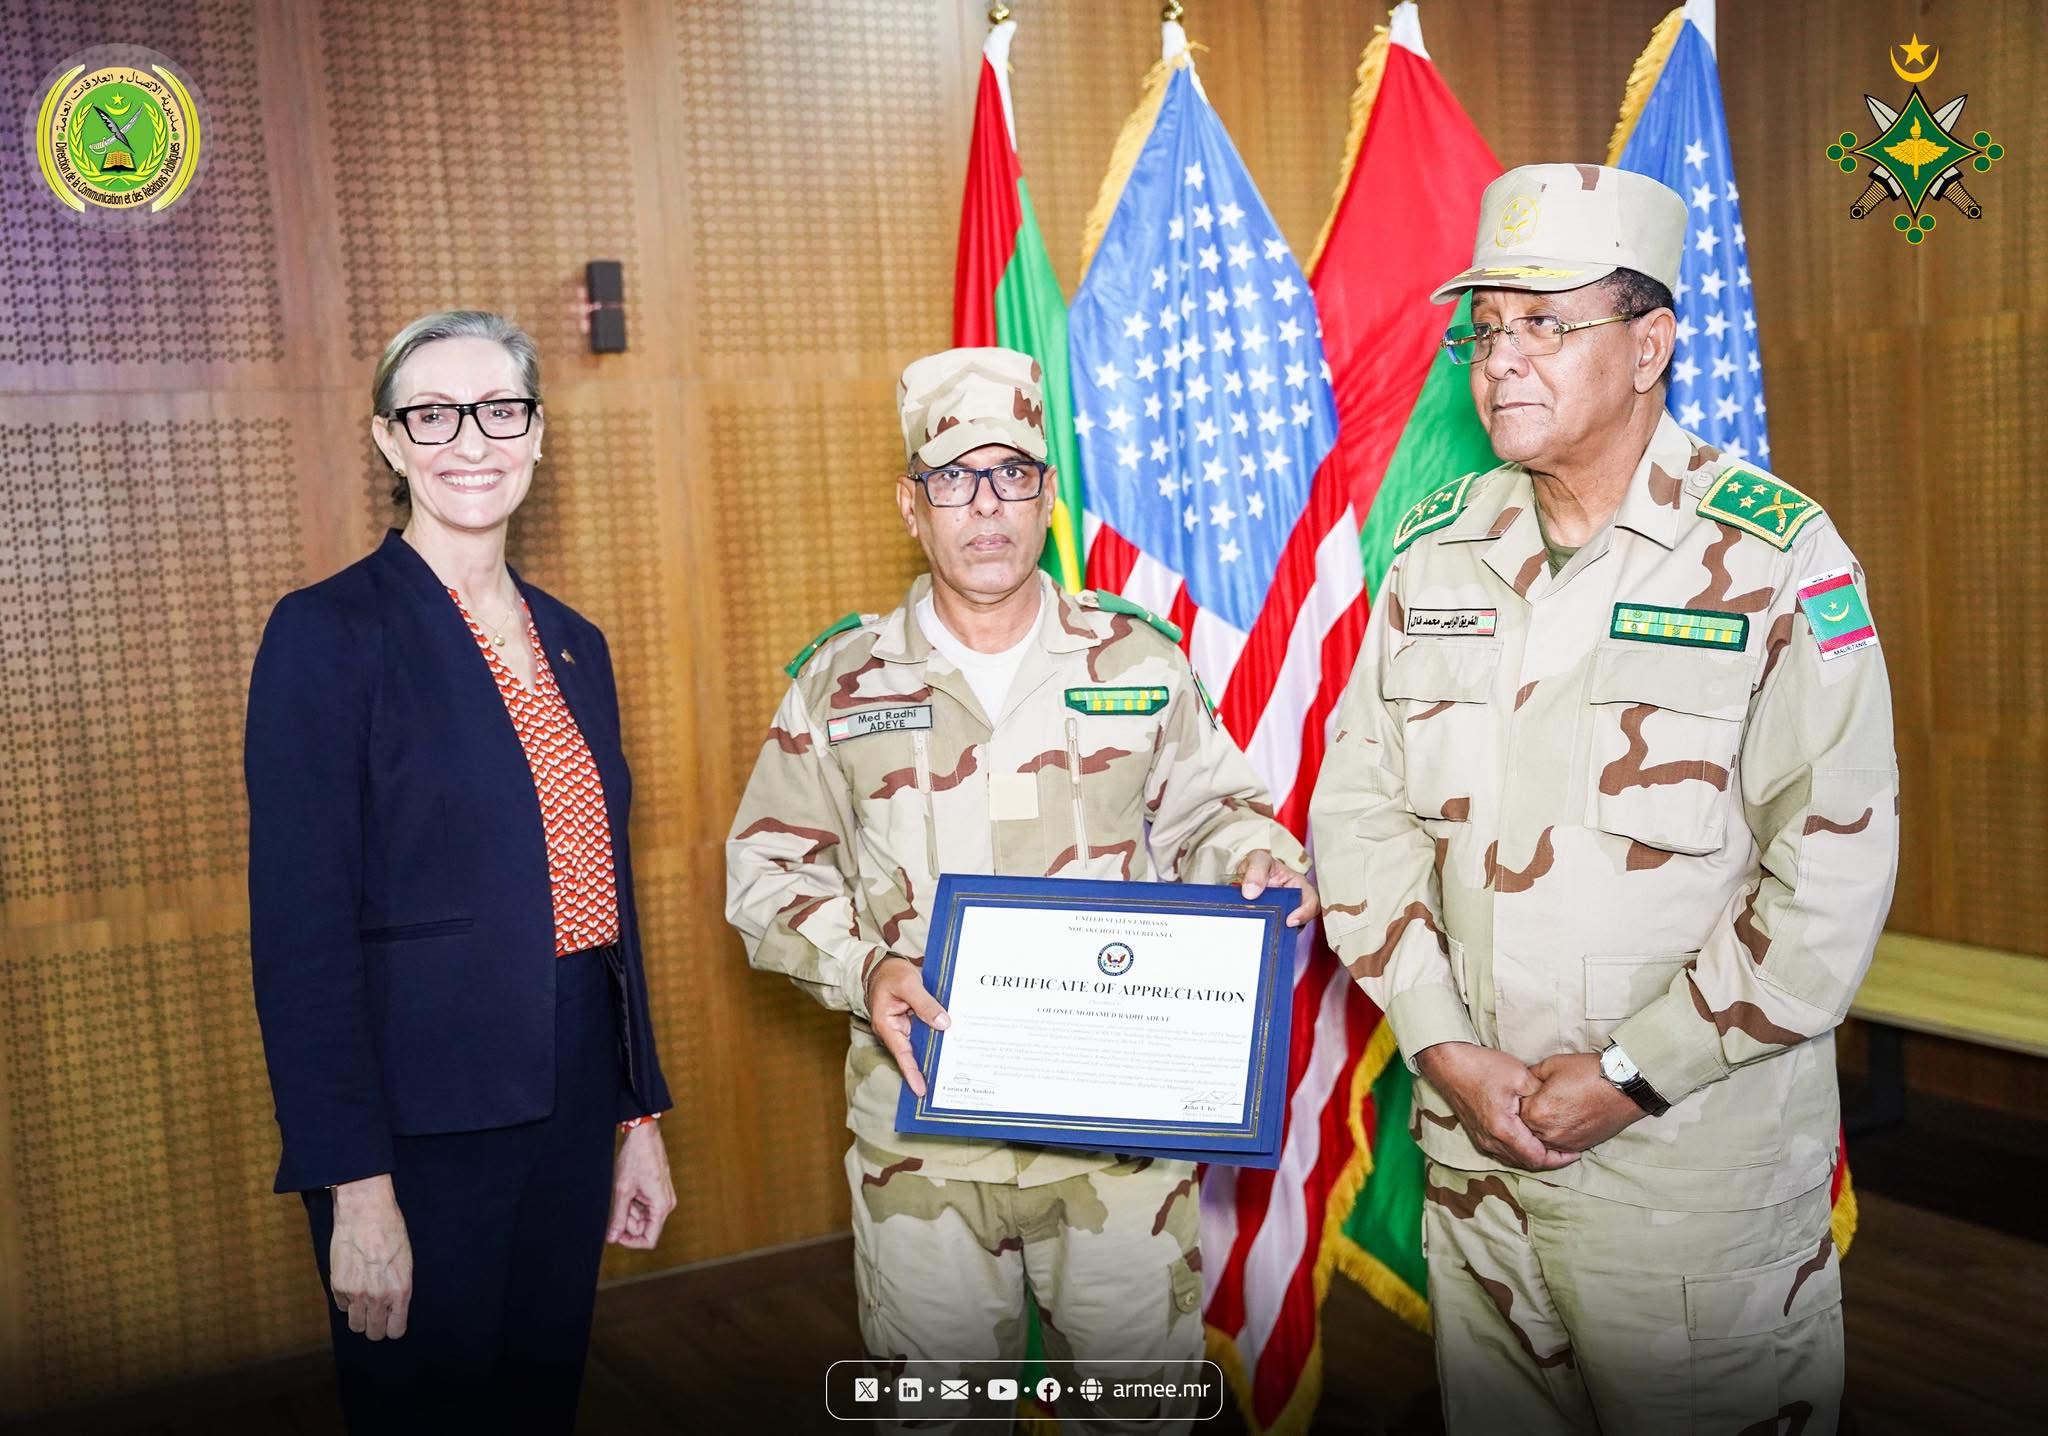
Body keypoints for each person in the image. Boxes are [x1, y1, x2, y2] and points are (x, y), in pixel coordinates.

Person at [1310, 166, 1898, 1436]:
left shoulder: (1773, 557)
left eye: (1543, 323)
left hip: (1686, 1182)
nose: (1499, 360)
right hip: (1474, 1160)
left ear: (1648, 345)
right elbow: (1359, 813)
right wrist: (1438, 1042)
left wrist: (1631, 1074)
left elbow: (1830, 874)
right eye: (1484, 328)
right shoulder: (1434, 550)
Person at [725, 347, 1316, 1432]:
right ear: (910, 504)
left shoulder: (1137, 660)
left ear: (1047, 497)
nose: (985, 504)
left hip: (1119, 1141)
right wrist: (865, 967)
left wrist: (1253, 859)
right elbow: (768, 871)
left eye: (1011, 473)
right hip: (923, 1143)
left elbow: (1215, 814)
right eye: (953, 477)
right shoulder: (841, 682)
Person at [245, 309, 677, 1433]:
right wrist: (355, 1185)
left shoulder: (574, 639)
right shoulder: (327, 634)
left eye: (499, 410)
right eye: (433, 414)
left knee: (541, 1400)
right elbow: (299, 939)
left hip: (573, 1094)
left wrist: (636, 1113)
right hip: (419, 1126)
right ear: (389, 440)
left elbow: (607, 897)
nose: (471, 441)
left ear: (537, 433)